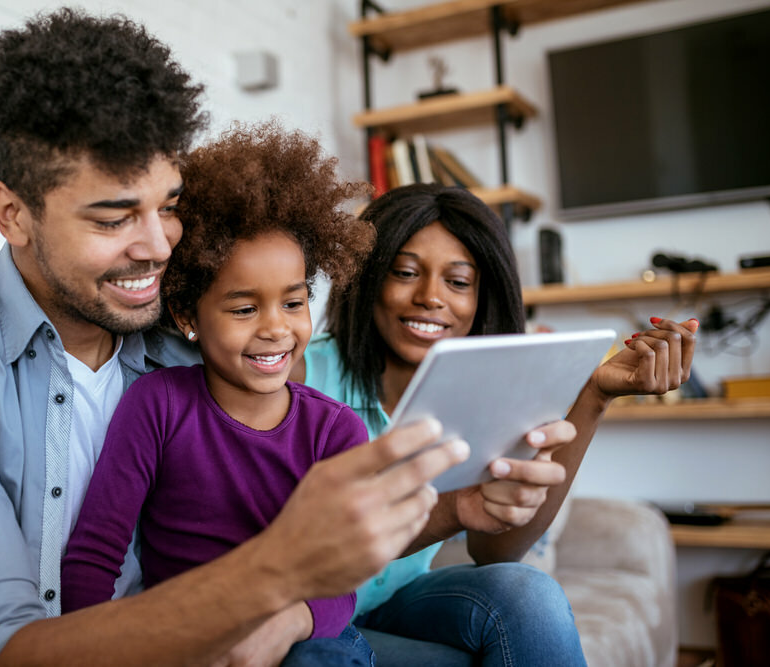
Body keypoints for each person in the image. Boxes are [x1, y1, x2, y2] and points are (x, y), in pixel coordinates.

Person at [0, 9, 508, 666]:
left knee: (512, 606)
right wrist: (274, 570)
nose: (158, 246)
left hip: (217, 639)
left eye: (170, 206)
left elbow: (323, 521)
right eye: (114, 217)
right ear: (14, 214)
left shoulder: (192, 347)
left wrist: (468, 493)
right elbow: (3, 650)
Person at [286, 183, 699, 665]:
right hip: (306, 615)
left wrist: (595, 394)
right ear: (368, 276)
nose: (430, 298)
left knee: (528, 596)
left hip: (394, 602)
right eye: (404, 272)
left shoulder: (485, 388)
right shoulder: (299, 375)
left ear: (483, 296)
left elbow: (496, 551)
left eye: (458, 282)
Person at [61, 122, 379, 665]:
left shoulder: (336, 430)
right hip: (187, 636)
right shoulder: (157, 405)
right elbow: (94, 556)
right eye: (244, 308)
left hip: (303, 636)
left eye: (295, 302)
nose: (277, 328)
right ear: (187, 315)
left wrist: (287, 624)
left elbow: (341, 584)